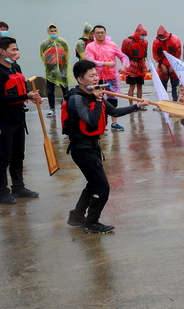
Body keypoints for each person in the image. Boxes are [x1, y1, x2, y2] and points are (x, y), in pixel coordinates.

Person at [62, 59, 146, 233]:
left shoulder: (93, 94)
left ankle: (77, 215)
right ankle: (92, 223)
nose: (95, 78)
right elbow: (92, 121)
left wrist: (136, 106)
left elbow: (114, 112)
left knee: (93, 184)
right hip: (81, 149)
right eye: (91, 76)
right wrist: (99, 100)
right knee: (102, 187)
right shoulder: (76, 99)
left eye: (96, 75)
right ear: (80, 80)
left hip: (92, 147)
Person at [0, 36, 42, 204]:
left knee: (19, 155)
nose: (17, 52)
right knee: (4, 157)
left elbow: (20, 90)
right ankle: (2, 192)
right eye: (13, 49)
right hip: (3, 121)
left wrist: (31, 97)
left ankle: (18, 187)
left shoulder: (15, 67)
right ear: (2, 52)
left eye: (17, 49)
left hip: (18, 118)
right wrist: (26, 95)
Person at [84, 25, 130, 131]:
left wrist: (124, 65)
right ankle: (101, 122)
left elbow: (122, 56)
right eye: (98, 33)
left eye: (102, 32)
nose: (100, 34)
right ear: (94, 34)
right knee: (97, 98)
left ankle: (114, 123)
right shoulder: (90, 46)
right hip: (96, 78)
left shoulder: (112, 45)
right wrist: (105, 63)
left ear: (105, 33)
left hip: (111, 76)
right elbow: (90, 60)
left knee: (113, 98)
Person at [38, 24, 69, 117]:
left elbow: (67, 54)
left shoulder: (62, 41)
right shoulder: (44, 44)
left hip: (62, 69)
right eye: (52, 31)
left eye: (55, 31)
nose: (54, 33)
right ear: (48, 32)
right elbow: (42, 55)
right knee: (50, 91)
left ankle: (67, 107)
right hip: (50, 70)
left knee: (65, 90)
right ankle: (52, 109)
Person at [152, 25, 182, 101]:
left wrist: (173, 65)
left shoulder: (175, 40)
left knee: (175, 85)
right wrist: (161, 64)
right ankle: (163, 101)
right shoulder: (156, 42)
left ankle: (175, 101)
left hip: (173, 65)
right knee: (162, 85)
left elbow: (178, 54)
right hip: (163, 66)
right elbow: (155, 54)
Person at [120, 24, 149, 100]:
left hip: (141, 66)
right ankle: (131, 105)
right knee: (132, 86)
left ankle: (139, 103)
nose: (143, 36)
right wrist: (125, 64)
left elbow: (145, 54)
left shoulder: (144, 42)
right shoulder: (128, 41)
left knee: (140, 85)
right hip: (131, 66)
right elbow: (123, 54)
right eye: (142, 34)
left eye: (144, 35)